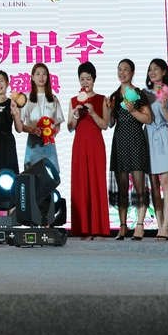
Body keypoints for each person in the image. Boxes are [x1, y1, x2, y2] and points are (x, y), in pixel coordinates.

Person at [108, 58, 153, 240]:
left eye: (126, 69)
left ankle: (140, 225)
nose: (122, 73)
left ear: (132, 72)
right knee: (122, 187)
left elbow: (148, 119)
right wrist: (109, 110)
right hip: (120, 141)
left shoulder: (138, 94)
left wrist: (133, 110)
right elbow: (110, 124)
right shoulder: (114, 95)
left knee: (139, 184)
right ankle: (123, 226)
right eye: (119, 69)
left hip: (135, 140)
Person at [66, 62, 110, 239]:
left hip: (96, 145)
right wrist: (75, 115)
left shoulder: (102, 99)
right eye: (82, 79)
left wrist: (92, 113)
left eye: (88, 79)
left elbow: (105, 125)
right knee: (81, 183)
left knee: (96, 183)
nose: (85, 82)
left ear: (94, 79)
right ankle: (82, 228)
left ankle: (98, 228)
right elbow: (70, 127)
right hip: (79, 145)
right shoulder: (73, 100)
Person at [145, 58, 168, 241]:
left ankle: (166, 226)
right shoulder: (144, 93)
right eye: (150, 69)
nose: (152, 72)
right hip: (148, 137)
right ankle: (159, 224)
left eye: (156, 69)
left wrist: (164, 108)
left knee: (165, 182)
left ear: (164, 72)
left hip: (163, 137)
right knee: (154, 185)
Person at [19, 63, 64, 172]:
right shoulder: (26, 98)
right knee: (31, 176)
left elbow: (58, 123)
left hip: (49, 143)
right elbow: (20, 125)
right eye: (38, 74)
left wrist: (53, 132)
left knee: (51, 176)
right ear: (32, 77)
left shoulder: (53, 98)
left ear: (48, 77)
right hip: (33, 143)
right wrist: (32, 130)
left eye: (44, 74)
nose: (41, 77)